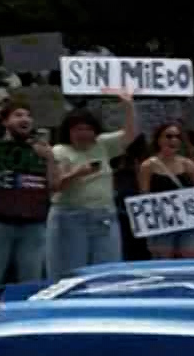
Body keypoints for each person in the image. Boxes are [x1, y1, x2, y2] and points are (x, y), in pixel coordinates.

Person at [48, 88, 139, 277]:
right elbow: (54, 186)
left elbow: (130, 134)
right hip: (71, 217)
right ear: (69, 131)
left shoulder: (102, 144)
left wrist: (128, 105)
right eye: (78, 129)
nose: (84, 133)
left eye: (88, 129)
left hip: (104, 216)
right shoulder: (59, 151)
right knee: (70, 272)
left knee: (108, 273)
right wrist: (77, 174)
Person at [0, 98, 51, 303]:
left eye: (27, 116)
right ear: (5, 122)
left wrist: (49, 158)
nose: (25, 119)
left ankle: (28, 325)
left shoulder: (40, 151)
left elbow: (55, 185)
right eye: (18, 115)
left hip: (32, 224)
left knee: (31, 282)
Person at [136, 122, 194, 260]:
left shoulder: (188, 164)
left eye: (177, 137)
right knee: (163, 261)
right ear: (159, 139)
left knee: (191, 258)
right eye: (169, 136)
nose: (173, 140)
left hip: (187, 222)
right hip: (161, 223)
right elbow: (144, 195)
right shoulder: (148, 166)